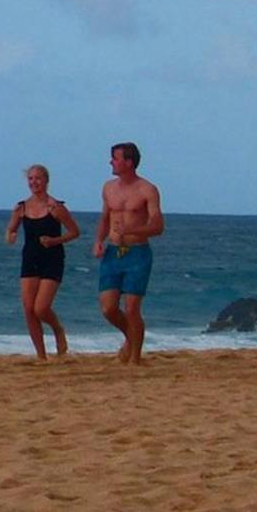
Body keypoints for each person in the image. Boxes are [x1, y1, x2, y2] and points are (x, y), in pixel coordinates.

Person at [94, 141, 164, 365]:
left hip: (137, 253)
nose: (111, 162)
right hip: (113, 252)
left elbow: (158, 226)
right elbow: (105, 218)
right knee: (108, 308)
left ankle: (135, 358)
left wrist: (132, 229)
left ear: (129, 162)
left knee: (132, 309)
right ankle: (130, 339)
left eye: (115, 158)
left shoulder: (147, 190)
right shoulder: (108, 188)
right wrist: (98, 240)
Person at [6, 165, 80, 359]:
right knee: (29, 309)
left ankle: (57, 329)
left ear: (46, 181)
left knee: (41, 308)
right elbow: (11, 229)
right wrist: (11, 235)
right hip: (30, 258)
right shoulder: (21, 207)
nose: (34, 182)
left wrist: (55, 241)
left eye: (38, 178)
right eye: (30, 179)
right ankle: (41, 355)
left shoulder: (56, 207)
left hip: (52, 259)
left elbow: (75, 232)